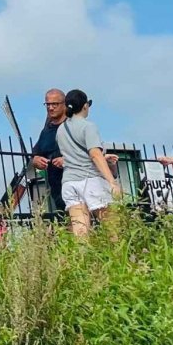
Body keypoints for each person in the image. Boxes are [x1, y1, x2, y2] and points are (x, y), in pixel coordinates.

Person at [56, 88, 121, 237]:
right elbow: (95, 154)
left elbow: (73, 155)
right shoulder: (88, 126)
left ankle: (81, 258)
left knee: (80, 228)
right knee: (111, 226)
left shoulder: (61, 129)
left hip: (69, 182)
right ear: (85, 106)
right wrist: (112, 182)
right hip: (90, 180)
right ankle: (118, 258)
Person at [31, 88, 68, 220]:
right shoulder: (46, 131)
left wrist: (67, 160)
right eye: (48, 104)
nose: (51, 108)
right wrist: (35, 159)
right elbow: (36, 152)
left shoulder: (72, 126)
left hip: (75, 182)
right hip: (56, 188)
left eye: (55, 104)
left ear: (64, 104)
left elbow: (88, 152)